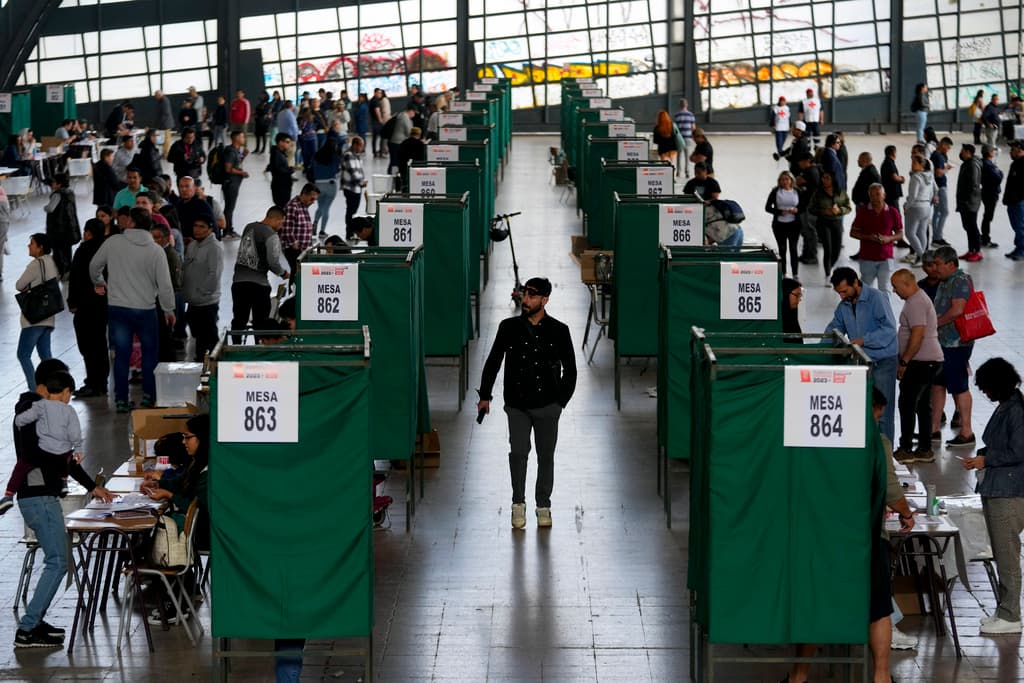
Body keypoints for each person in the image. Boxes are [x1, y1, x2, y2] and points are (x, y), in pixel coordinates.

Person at [784, 387, 914, 683]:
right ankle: (881, 676)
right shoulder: (876, 443)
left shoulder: (813, 439)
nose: (877, 422)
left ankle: (799, 675)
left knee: (816, 604)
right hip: (866, 538)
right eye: (876, 415)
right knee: (878, 606)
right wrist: (906, 514)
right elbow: (892, 492)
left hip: (821, 536)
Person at [8, 361, 113, 648]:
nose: (66, 398)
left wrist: (93, 486)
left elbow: (63, 455)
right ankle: (27, 630)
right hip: (37, 495)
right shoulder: (31, 411)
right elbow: (36, 453)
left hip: (44, 495)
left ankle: (34, 622)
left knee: (56, 561)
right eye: (63, 391)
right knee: (57, 562)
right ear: (44, 387)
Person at [477, 277, 577, 530]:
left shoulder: (559, 330)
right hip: (517, 405)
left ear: (544, 300)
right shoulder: (508, 327)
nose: (526, 300)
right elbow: (493, 362)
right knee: (519, 454)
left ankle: (543, 505)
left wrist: (560, 403)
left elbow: (571, 370)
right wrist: (485, 397)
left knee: (546, 456)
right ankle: (517, 503)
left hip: (548, 406)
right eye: (525, 295)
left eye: (532, 296)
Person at [961, 358, 1024, 635]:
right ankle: (1003, 609)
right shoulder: (1008, 406)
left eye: (986, 387)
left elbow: (1019, 452)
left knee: (1007, 554)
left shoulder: (1016, 411)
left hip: (1008, 492)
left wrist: (986, 461)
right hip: (998, 488)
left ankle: (1011, 615)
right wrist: (983, 456)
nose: (985, 393)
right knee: (1001, 551)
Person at [90, 208, 175, 412]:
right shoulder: (155, 250)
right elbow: (165, 285)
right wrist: (169, 309)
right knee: (149, 354)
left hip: (118, 309)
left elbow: (94, 266)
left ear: (131, 223)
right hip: (145, 310)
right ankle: (148, 396)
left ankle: (120, 400)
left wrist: (99, 282)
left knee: (121, 355)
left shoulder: (113, 242)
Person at [824, 267, 898, 442]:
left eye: (844, 291)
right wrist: (820, 351)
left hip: (883, 361)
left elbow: (889, 330)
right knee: (865, 410)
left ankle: (886, 455)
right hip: (862, 362)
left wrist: (864, 340)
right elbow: (834, 329)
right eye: (838, 293)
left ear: (856, 283)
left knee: (883, 412)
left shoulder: (877, 298)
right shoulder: (844, 305)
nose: (841, 296)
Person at [890, 269, 943, 464]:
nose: (894, 291)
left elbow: (917, 335)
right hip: (928, 361)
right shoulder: (918, 299)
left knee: (907, 403)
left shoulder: (916, 303)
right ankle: (924, 448)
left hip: (921, 362)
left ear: (907, 284)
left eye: (895, 287)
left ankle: (906, 449)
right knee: (922, 405)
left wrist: (904, 361)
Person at [929, 246, 976, 447]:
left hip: (956, 343)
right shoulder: (945, 280)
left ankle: (966, 432)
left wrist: (935, 323)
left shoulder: (960, 280)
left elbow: (958, 310)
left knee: (959, 386)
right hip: (942, 343)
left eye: (938, 264)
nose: (934, 268)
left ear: (951, 264)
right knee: (938, 384)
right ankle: (934, 429)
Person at [231, 206, 289, 344]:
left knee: (239, 319)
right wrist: (284, 273)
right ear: (274, 219)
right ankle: (259, 348)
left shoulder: (248, 227)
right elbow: (273, 263)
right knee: (261, 322)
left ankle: (235, 348)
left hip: (238, 283)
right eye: (281, 223)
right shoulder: (271, 235)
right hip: (259, 285)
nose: (280, 227)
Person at [66, 220, 108, 397]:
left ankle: (93, 381)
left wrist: (72, 302)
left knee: (88, 345)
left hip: (85, 305)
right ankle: (101, 382)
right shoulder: (108, 250)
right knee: (100, 343)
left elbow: (74, 277)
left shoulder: (83, 250)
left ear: (88, 232)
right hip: (104, 303)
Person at [15, 234, 60, 390]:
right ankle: (55, 386)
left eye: (32, 243)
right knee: (46, 357)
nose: (29, 246)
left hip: (34, 318)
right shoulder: (51, 261)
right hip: (48, 317)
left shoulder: (36, 264)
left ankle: (34, 389)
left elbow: (19, 285)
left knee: (23, 354)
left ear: (40, 247)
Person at [182, 217, 222, 361]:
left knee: (209, 337)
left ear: (210, 229)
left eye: (202, 226)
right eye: (195, 225)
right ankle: (201, 361)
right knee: (197, 334)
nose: (197, 229)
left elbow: (214, 274)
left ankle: (212, 364)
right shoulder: (192, 245)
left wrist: (202, 292)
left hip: (207, 302)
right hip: (193, 302)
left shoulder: (214, 248)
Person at [850, 184, 903, 292]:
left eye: (878, 194)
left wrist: (888, 238)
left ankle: (884, 309)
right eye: (872, 195)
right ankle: (864, 308)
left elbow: (900, 234)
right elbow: (853, 233)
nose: (875, 198)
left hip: (886, 258)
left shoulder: (893, 212)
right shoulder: (863, 212)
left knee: (885, 289)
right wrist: (869, 237)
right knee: (865, 289)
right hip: (867, 258)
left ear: (884, 195)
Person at [808, 170, 851, 283]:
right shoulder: (818, 192)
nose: (824, 180)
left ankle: (830, 267)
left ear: (833, 179)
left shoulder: (841, 192)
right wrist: (823, 211)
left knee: (836, 249)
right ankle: (828, 274)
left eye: (827, 177)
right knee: (828, 248)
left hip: (836, 222)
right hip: (823, 223)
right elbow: (811, 208)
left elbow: (848, 207)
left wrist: (839, 210)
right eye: (823, 178)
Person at [764, 171, 801, 276]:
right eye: (782, 180)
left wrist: (797, 210)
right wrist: (780, 212)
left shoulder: (797, 191)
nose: (785, 182)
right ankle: (783, 273)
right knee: (782, 249)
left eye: (787, 179)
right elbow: (767, 207)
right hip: (779, 225)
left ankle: (795, 274)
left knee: (793, 249)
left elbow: (803, 206)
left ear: (791, 180)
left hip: (794, 224)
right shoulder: (776, 191)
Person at [903, 155, 937, 265]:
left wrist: (907, 207)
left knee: (910, 233)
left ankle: (922, 257)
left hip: (916, 207)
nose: (912, 165)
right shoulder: (929, 176)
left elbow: (913, 195)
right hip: (926, 207)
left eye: (914, 163)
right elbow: (934, 190)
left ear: (921, 165)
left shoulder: (916, 177)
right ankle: (922, 257)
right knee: (922, 232)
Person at [43, 173, 80, 276]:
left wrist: (45, 207)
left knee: (58, 253)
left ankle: (61, 272)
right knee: (67, 251)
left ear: (59, 184)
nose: (52, 184)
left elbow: (50, 208)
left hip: (58, 230)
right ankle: (68, 270)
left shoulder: (57, 194)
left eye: (54, 182)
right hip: (69, 228)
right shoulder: (70, 193)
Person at [280, 183, 320, 275]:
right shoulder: (293, 206)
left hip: (302, 248)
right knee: (296, 272)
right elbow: (287, 227)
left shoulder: (303, 206)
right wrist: (294, 243)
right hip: (293, 249)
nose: (313, 202)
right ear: (304, 194)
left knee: (300, 273)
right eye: (312, 199)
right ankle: (293, 289)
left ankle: (297, 289)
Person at [956, 143, 983, 261]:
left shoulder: (972, 165)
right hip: (965, 202)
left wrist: (967, 201)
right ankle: (971, 250)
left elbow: (974, 185)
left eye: (962, 151)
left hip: (970, 203)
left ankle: (977, 251)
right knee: (967, 226)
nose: (960, 153)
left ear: (967, 152)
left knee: (972, 227)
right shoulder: (967, 163)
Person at [221, 130, 249, 238]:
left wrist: (243, 156)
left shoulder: (236, 151)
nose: (244, 139)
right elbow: (228, 169)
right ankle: (227, 230)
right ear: (236, 138)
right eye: (242, 137)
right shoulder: (230, 151)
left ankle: (229, 229)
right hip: (230, 183)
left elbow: (236, 163)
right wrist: (242, 173)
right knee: (229, 207)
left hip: (234, 183)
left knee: (230, 207)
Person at [312, 138, 341, 236]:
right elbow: (336, 170)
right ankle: (322, 231)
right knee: (326, 208)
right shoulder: (334, 156)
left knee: (320, 207)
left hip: (318, 184)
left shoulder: (317, 155)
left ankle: (315, 223)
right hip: (330, 184)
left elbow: (311, 169)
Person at [173, 175, 215, 243]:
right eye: (181, 186)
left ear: (194, 188)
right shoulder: (178, 205)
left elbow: (212, 229)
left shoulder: (202, 205)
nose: (184, 189)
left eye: (187, 186)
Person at [930, 136, 954, 247]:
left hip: (935, 187)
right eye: (948, 147)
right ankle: (938, 237)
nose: (948, 150)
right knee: (944, 212)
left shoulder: (935, 155)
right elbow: (938, 173)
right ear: (943, 145)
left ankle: (936, 237)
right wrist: (947, 168)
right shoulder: (938, 157)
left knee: (937, 212)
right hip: (940, 187)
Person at [341, 136, 367, 232]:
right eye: (361, 146)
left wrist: (362, 181)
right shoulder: (348, 155)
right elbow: (352, 171)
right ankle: (349, 231)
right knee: (350, 210)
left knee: (353, 210)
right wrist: (361, 182)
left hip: (357, 187)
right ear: (355, 145)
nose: (362, 148)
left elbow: (359, 170)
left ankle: (351, 230)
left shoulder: (356, 156)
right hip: (350, 188)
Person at [979, 144, 1002, 249]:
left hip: (986, 192)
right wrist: (1000, 172)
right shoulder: (988, 165)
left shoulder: (983, 163)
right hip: (991, 193)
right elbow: (998, 177)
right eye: (993, 151)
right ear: (989, 153)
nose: (994, 153)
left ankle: (984, 237)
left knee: (987, 216)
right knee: (988, 217)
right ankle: (985, 238)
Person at [1006, 140, 1024, 261]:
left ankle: (1021, 251)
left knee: (1020, 226)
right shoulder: (1015, 163)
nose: (1010, 151)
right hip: (1012, 201)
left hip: (1019, 202)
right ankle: (1018, 247)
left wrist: (1019, 198)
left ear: (1020, 149)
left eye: (1013, 149)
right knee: (1016, 226)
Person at [396, 126, 426, 192]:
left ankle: (404, 192)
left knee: (405, 182)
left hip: (403, 168)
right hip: (417, 169)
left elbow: (399, 156)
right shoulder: (420, 144)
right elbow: (423, 158)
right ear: (419, 134)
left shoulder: (404, 143)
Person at [673, 98, 696, 178]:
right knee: (687, 155)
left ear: (680, 105)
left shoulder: (677, 115)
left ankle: (678, 172)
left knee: (679, 155)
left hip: (679, 138)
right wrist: (694, 137)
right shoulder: (691, 115)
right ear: (687, 105)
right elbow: (693, 128)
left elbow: (675, 128)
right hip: (688, 138)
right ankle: (687, 172)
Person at [879, 145, 904, 212]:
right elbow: (894, 177)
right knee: (895, 212)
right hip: (892, 194)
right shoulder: (889, 163)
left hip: (888, 193)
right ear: (893, 153)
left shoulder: (886, 162)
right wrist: (901, 179)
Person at [781, 277, 803, 343]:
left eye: (800, 296)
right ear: (785, 293)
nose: (799, 300)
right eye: (797, 295)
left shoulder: (792, 314)